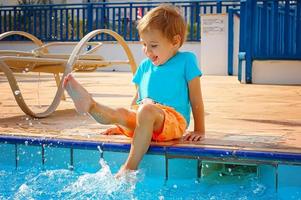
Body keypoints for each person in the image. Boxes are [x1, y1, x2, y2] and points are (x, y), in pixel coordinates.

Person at [63, 4, 205, 176]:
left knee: (146, 110)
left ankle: (129, 167)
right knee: (124, 112)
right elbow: (137, 97)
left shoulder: (186, 61)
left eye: (153, 45)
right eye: (143, 44)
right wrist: (125, 123)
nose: (147, 51)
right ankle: (90, 105)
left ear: (175, 41)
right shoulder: (145, 66)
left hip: (172, 121)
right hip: (144, 117)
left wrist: (199, 130)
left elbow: (196, 99)